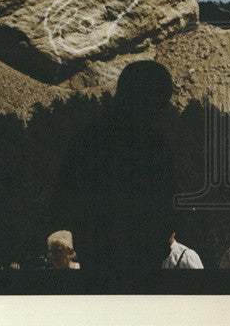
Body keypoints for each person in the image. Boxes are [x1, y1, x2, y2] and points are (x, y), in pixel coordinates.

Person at [54, 60, 178, 273]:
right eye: (159, 103)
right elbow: (167, 204)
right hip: (141, 263)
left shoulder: (85, 139)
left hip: (97, 260)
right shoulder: (155, 145)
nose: (161, 111)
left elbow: (64, 200)